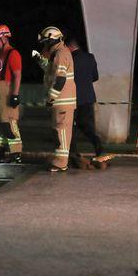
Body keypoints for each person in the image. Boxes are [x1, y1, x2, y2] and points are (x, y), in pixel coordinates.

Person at [66, 37, 113, 169]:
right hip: (88, 98)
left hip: (72, 99)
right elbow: (95, 77)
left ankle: (74, 155)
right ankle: (99, 147)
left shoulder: (69, 59)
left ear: (69, 47)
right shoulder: (90, 57)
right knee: (87, 126)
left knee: (70, 128)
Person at [36, 26, 77, 172]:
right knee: (58, 131)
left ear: (52, 40)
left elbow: (60, 80)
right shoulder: (58, 53)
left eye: (46, 42)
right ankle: (60, 160)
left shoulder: (61, 53)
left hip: (62, 100)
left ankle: (61, 163)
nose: (45, 46)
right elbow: (50, 71)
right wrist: (40, 60)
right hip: (61, 101)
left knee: (62, 131)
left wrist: (51, 98)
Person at [0, 24, 23, 163]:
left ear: (4, 38)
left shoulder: (13, 53)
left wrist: (15, 94)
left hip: (6, 89)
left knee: (9, 122)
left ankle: (15, 152)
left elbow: (17, 75)